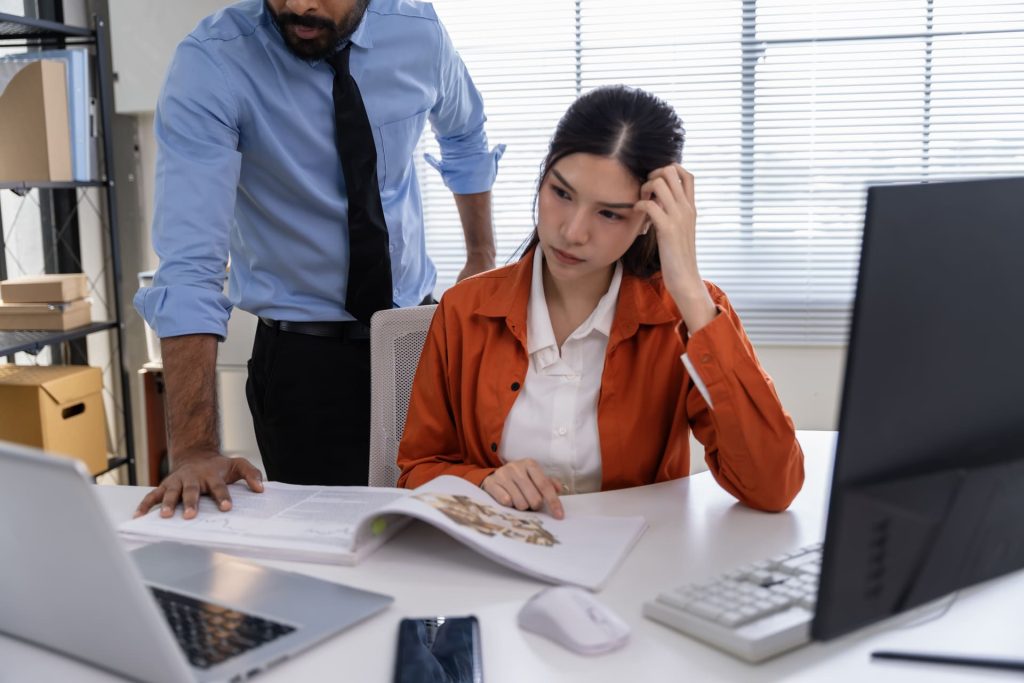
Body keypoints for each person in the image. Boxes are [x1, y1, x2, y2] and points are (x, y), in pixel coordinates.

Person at [134, 0, 503, 520]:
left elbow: (465, 135)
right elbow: (191, 266)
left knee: (447, 529)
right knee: (329, 554)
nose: (299, 6)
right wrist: (195, 449)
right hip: (306, 365)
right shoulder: (213, 63)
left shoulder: (418, 33)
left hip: (419, 342)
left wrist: (481, 257)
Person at [396, 85, 804, 519]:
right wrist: (482, 482)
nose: (572, 232)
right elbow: (417, 471)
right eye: (562, 194)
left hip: (638, 569)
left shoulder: (685, 314)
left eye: (609, 213)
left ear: (650, 219)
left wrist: (687, 288)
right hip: (500, 565)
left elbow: (772, 486)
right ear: (543, 177)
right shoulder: (464, 309)